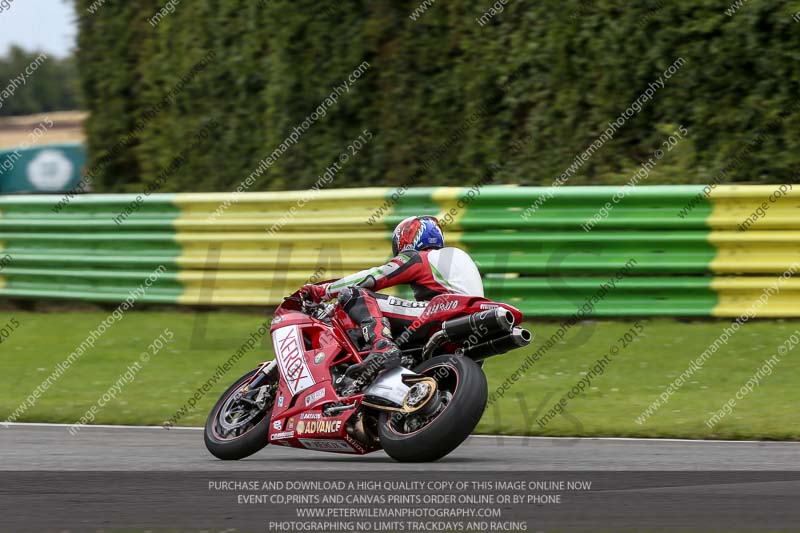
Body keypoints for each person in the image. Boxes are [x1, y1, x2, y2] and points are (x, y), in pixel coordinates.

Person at [301, 215, 484, 391]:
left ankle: (382, 345)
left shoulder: (420, 257)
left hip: (446, 311)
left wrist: (322, 291)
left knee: (353, 293)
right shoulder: (453, 259)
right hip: (471, 329)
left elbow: (373, 277)